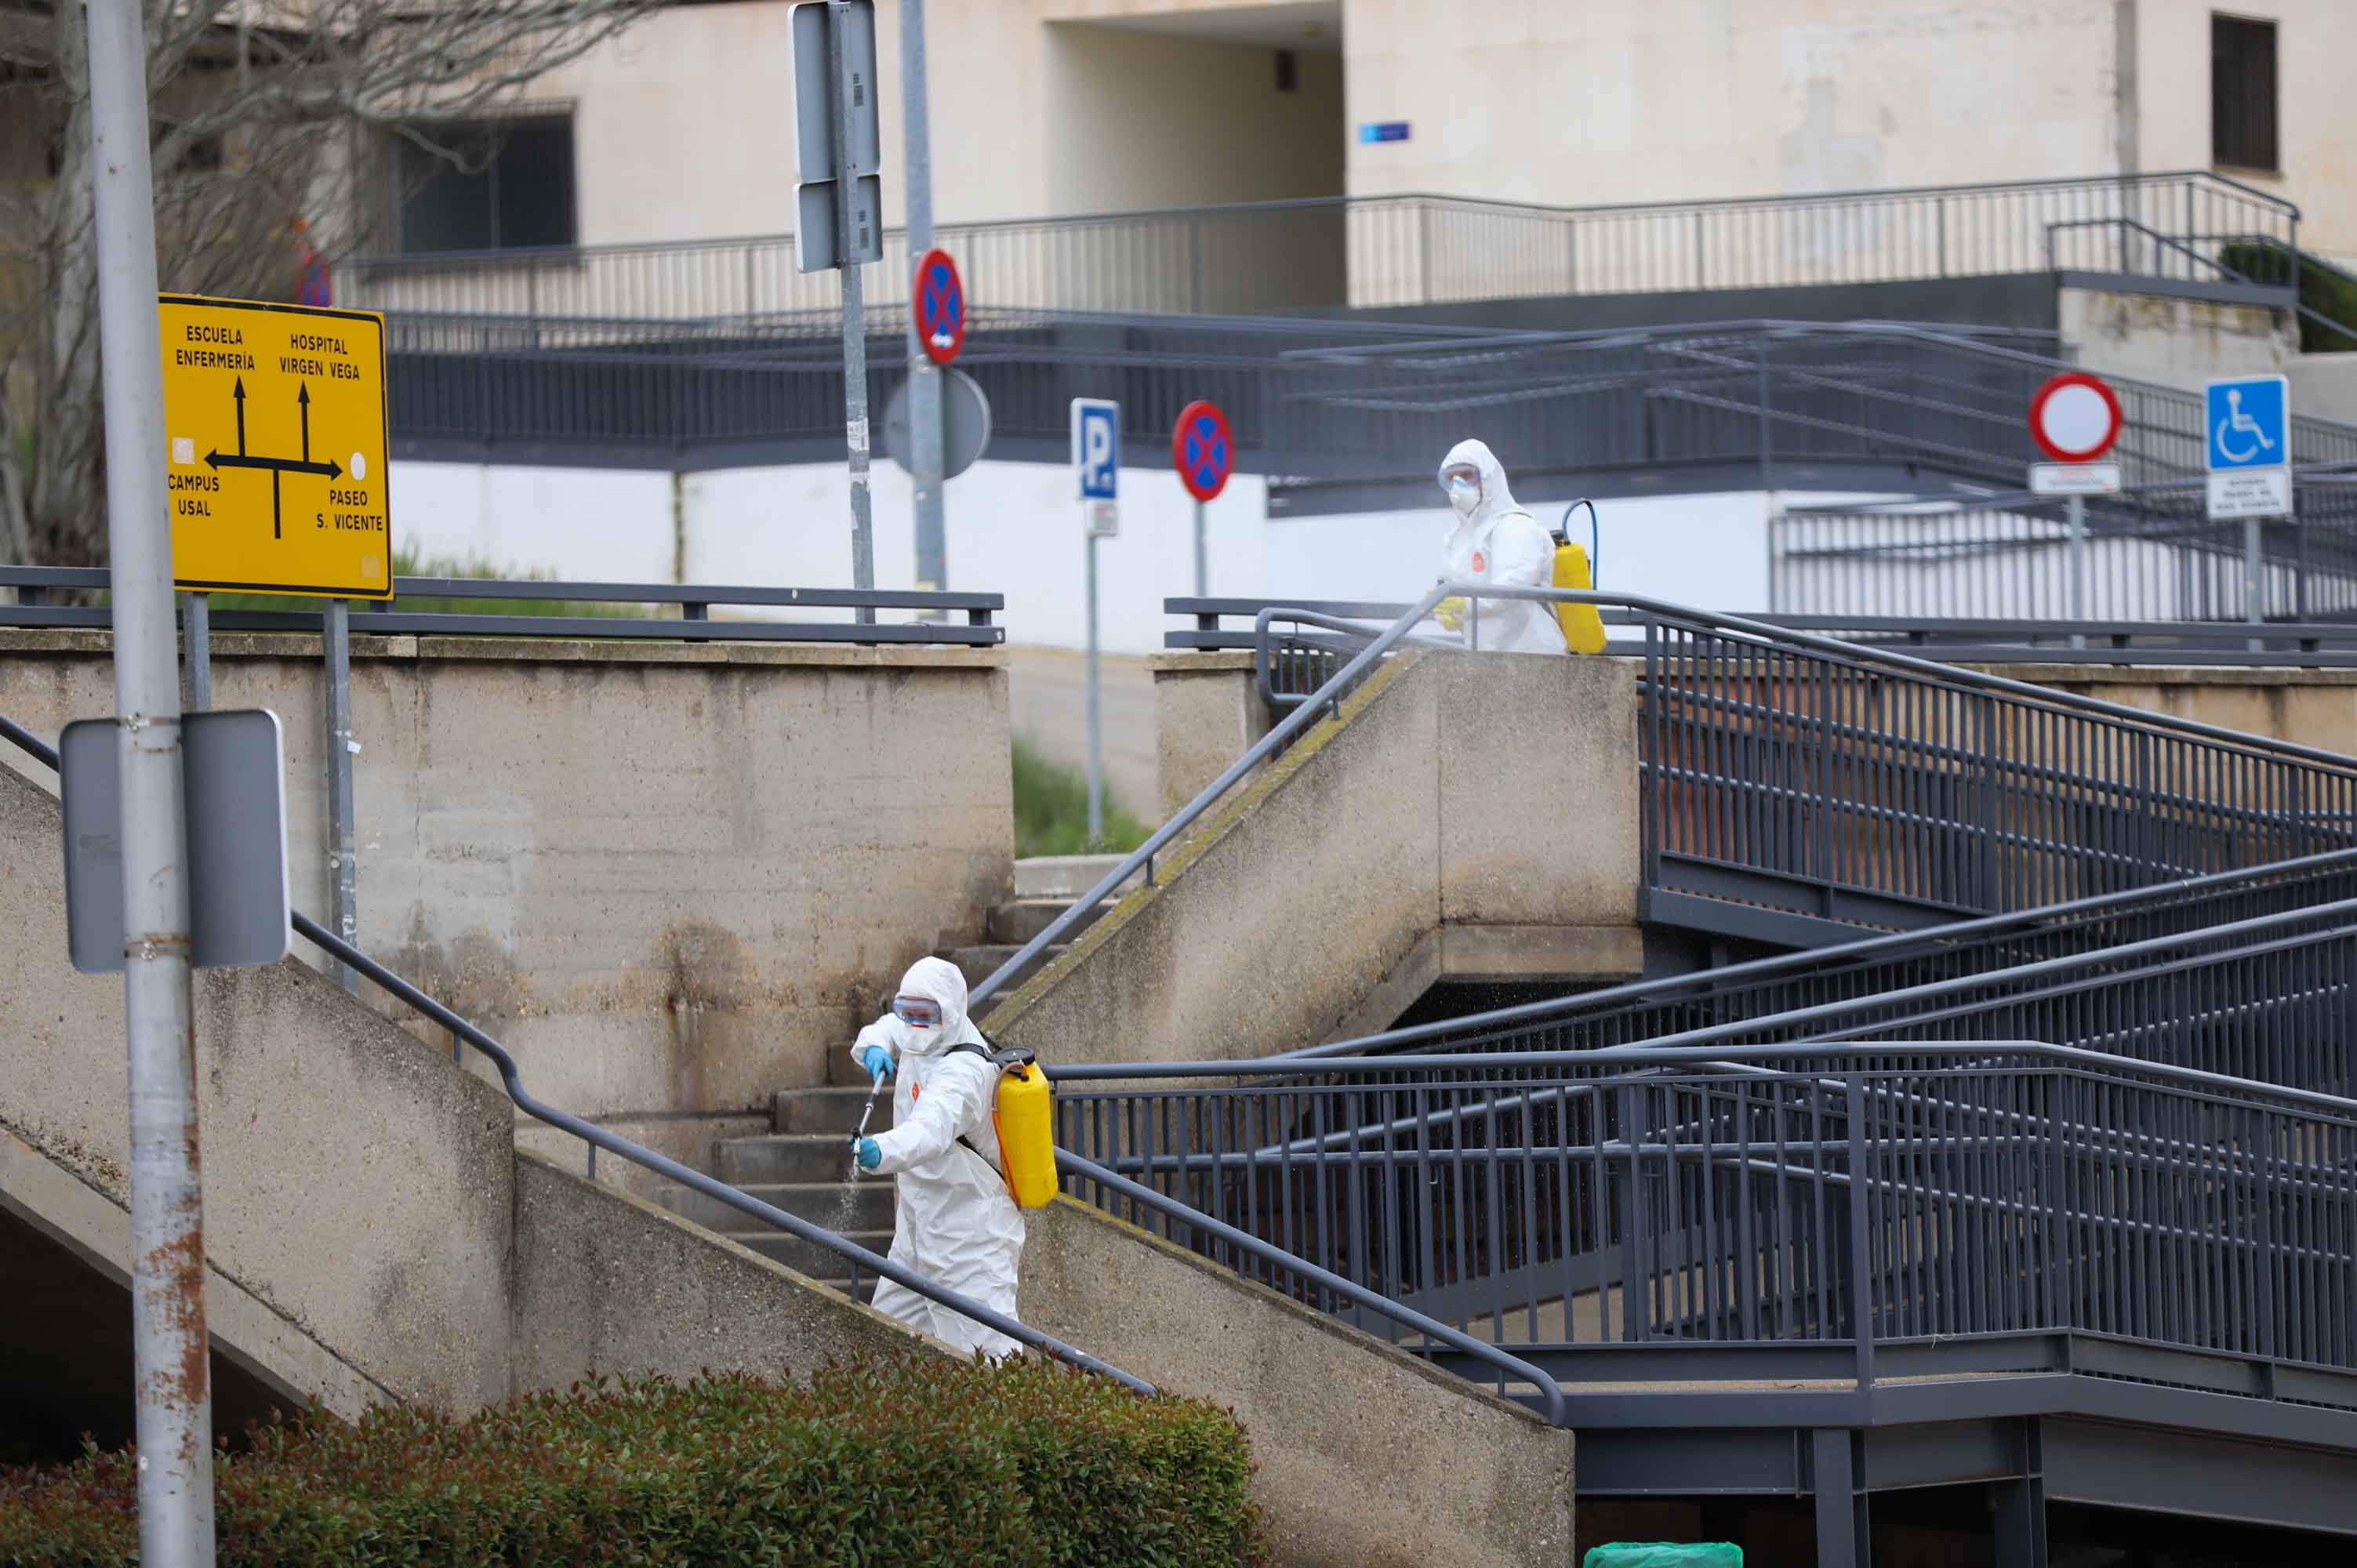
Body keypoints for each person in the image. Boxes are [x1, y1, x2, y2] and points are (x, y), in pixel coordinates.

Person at [847, 956, 1026, 1358]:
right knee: (886, 1346)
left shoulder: (964, 1070)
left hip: (968, 1235)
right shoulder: (918, 1030)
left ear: (949, 1010)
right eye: (906, 1012)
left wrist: (881, 1151)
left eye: (923, 1014)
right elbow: (885, 1029)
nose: (913, 1024)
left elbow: (929, 1131)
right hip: (917, 1226)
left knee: (989, 1359)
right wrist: (875, 1046)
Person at [1433, 438, 1567, 655]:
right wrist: (1445, 610)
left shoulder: (1515, 526)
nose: (1458, 485)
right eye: (1450, 478)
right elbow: (1449, 588)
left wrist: (1463, 605)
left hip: (1534, 654)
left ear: (1487, 477)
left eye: (1467, 476)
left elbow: (1511, 586)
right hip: (1487, 656)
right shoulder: (1457, 539)